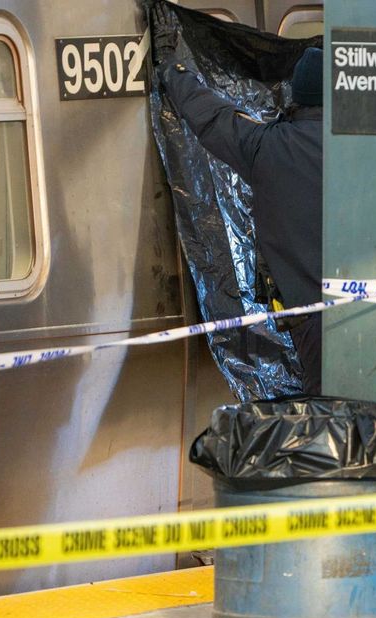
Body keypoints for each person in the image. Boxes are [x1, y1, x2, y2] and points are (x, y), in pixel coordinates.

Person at [151, 4, 323, 395]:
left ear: (297, 98)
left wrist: (171, 68)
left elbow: (212, 117)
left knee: (332, 418)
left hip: (311, 323)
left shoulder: (267, 147)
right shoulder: (370, 150)